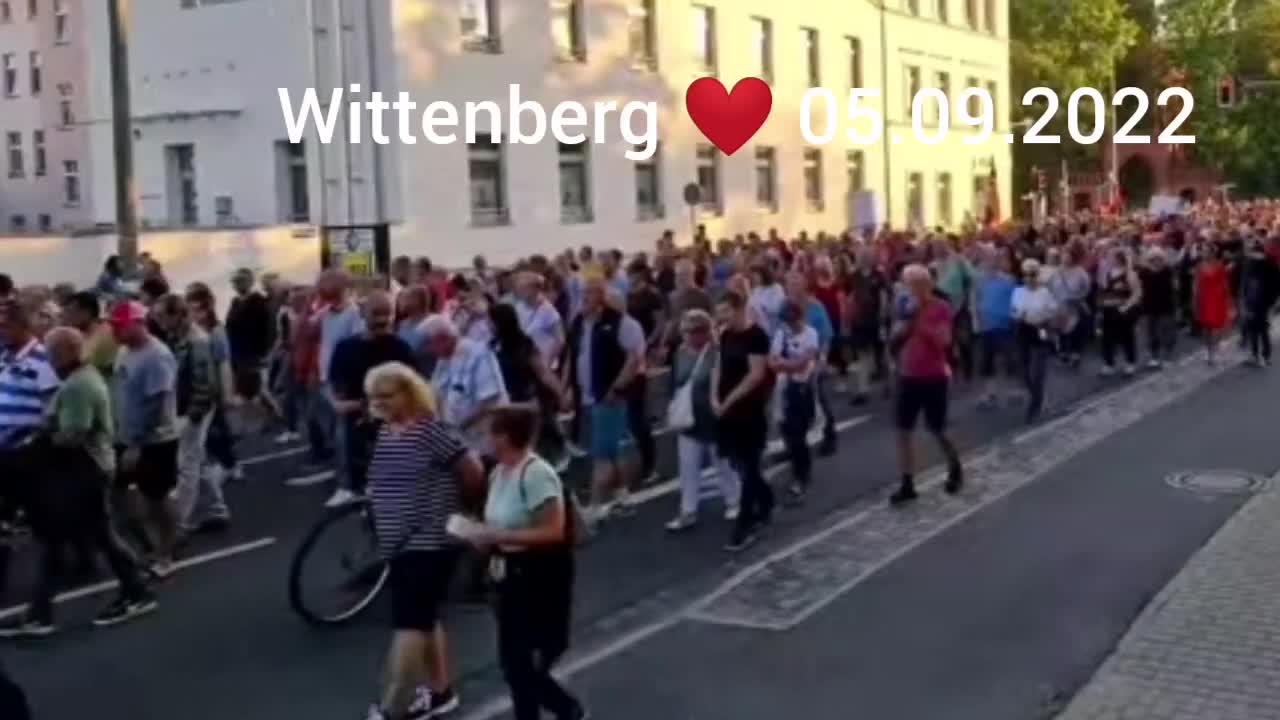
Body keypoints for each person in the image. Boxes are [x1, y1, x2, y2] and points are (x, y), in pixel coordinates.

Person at [0, 327, 157, 637]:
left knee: (68, 540)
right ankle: (133, 588)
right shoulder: (81, 379)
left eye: (52, 352)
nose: (49, 358)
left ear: (66, 352)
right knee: (91, 537)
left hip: (83, 473)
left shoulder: (76, 386)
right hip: (84, 471)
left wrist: (40, 438)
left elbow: (74, 435)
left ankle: (44, 613)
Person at [362, 362, 485, 720]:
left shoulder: (432, 430)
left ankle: (391, 707)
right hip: (399, 542)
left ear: (408, 393)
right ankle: (440, 691)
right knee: (426, 619)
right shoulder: (388, 431)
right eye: (373, 397)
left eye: (386, 395)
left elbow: (472, 472)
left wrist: (459, 510)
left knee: (409, 625)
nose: (378, 403)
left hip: (428, 540)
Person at [458, 404, 588, 720]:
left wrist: (496, 534)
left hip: (538, 576)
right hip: (508, 576)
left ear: (506, 436)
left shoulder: (537, 474)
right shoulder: (500, 472)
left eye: (490, 432)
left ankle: (565, 708)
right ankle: (557, 710)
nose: (484, 439)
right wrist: (477, 535)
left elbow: (553, 531)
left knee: (524, 662)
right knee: (514, 662)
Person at [562, 279, 645, 525]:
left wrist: (616, 388)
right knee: (610, 448)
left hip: (607, 397)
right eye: (581, 294)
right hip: (585, 397)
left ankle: (595, 506)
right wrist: (566, 388)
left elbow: (634, 359)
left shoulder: (620, 324)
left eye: (588, 294)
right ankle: (623, 495)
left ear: (602, 298)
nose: (582, 299)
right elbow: (571, 355)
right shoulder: (578, 323)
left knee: (601, 454)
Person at [109, 300, 182, 578]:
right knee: (118, 493)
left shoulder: (157, 356)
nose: (115, 332)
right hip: (126, 435)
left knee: (157, 499)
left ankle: (167, 552)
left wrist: (136, 445)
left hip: (155, 440)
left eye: (120, 326)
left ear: (138, 324)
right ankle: (151, 545)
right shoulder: (125, 352)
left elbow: (157, 403)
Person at [327, 291, 417, 507]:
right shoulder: (346, 348)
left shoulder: (400, 348)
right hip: (356, 423)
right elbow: (336, 392)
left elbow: (415, 389)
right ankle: (350, 488)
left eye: (388, 314)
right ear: (362, 313)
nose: (382, 320)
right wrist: (349, 404)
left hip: (393, 427)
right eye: (376, 313)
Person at [152, 294, 229, 536]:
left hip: (193, 409)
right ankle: (216, 509)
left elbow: (204, 382)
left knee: (186, 465)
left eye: (163, 315)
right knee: (198, 458)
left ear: (178, 314)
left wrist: (194, 414)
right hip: (186, 407)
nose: (159, 321)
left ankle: (179, 523)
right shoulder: (178, 337)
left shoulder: (197, 341)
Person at [888, 265, 964, 506]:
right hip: (908, 375)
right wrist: (902, 328)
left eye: (916, 284)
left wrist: (920, 322)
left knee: (937, 428)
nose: (912, 289)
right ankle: (907, 482)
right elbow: (894, 336)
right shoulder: (903, 308)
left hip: (934, 376)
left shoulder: (940, 308)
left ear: (927, 285)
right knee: (903, 430)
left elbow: (944, 341)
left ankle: (954, 465)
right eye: (908, 284)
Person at [665, 309, 739, 532]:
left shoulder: (717, 353)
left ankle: (734, 500)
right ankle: (688, 511)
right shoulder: (680, 353)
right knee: (688, 467)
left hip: (713, 418)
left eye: (689, 332)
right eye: (684, 332)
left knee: (722, 463)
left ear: (702, 333)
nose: (685, 336)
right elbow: (674, 381)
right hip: (690, 419)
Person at [713, 290, 773, 551]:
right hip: (727, 408)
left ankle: (745, 522)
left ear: (738, 309)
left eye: (725, 311)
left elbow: (756, 375)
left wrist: (729, 400)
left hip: (747, 408)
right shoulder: (726, 335)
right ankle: (766, 498)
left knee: (749, 464)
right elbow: (718, 366)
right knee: (737, 461)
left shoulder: (756, 336)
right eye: (719, 312)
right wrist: (714, 396)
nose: (722, 317)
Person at [490, 303, 568, 470]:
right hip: (508, 407)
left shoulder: (524, 345)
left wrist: (560, 395)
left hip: (528, 405)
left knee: (534, 457)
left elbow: (543, 372)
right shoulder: (493, 346)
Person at [770, 300, 820, 502]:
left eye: (792, 321)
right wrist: (786, 365)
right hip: (783, 389)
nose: (790, 326)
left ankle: (802, 472)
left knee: (799, 431)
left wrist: (785, 364)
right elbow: (772, 362)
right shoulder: (781, 334)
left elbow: (804, 363)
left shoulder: (810, 334)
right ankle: (797, 465)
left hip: (802, 389)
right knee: (787, 430)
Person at [1010, 260, 1059, 423]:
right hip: (1023, 330)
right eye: (1026, 275)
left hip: (1040, 330)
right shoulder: (1017, 291)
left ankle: (1035, 404)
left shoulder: (1045, 292)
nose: (1029, 278)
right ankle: (1037, 395)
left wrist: (1044, 317)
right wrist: (1018, 315)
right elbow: (1013, 311)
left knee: (1037, 371)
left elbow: (1053, 311)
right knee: (1023, 371)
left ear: (1037, 275)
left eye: (1032, 275)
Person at [972, 249, 1018, 407]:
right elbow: (976, 300)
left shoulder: (1009, 280)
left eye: (995, 260)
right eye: (989, 260)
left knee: (1009, 358)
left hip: (1004, 325)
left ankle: (1012, 391)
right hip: (986, 326)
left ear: (999, 262)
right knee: (987, 361)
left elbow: (1015, 301)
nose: (992, 263)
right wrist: (976, 321)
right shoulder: (979, 281)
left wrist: (1014, 318)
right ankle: (990, 393)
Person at [846, 249, 889, 404]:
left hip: (875, 319)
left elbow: (883, 296)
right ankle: (863, 390)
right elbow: (849, 297)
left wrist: (883, 316)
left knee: (880, 355)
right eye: (862, 256)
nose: (864, 258)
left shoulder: (878, 275)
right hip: (859, 321)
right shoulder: (854, 276)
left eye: (867, 256)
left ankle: (887, 383)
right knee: (863, 354)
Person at [1098, 246, 1143, 376]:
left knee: (1126, 337)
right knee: (1107, 338)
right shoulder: (1107, 273)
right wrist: (1101, 306)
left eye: (1113, 257)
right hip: (1108, 310)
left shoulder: (1129, 274)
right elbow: (1103, 291)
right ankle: (1109, 363)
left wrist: (1125, 307)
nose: (1111, 260)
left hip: (1123, 311)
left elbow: (1137, 293)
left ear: (1120, 259)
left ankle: (1130, 362)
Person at [1238, 238, 1280, 367]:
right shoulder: (1269, 263)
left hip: (1257, 301)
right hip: (1260, 301)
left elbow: (1247, 284)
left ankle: (1258, 356)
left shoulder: (1257, 264)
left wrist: (1244, 298)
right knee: (1261, 329)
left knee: (1256, 330)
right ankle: (1263, 356)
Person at [1138, 247, 1178, 369]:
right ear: (1149, 260)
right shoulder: (1144, 272)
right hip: (1149, 307)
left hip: (1166, 306)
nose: (1156, 261)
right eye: (1153, 259)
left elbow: (1175, 287)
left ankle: (1167, 356)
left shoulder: (1168, 271)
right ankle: (1154, 356)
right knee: (1151, 333)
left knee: (1167, 333)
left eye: (1159, 258)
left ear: (1162, 259)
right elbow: (1139, 288)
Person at [1195, 243, 1233, 366]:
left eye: (1206, 251)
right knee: (1206, 327)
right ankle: (1207, 349)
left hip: (1216, 298)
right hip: (1204, 298)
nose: (1204, 253)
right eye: (1203, 251)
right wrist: (1195, 297)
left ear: (1212, 253)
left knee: (1216, 326)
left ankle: (1215, 351)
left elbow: (1225, 283)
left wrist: (1227, 300)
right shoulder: (1200, 266)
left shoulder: (1219, 265)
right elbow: (1196, 283)